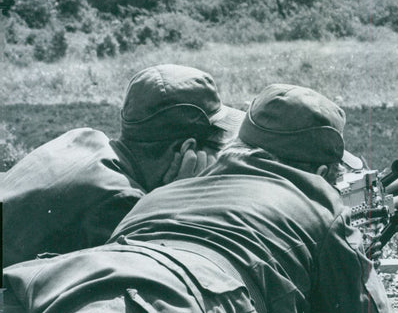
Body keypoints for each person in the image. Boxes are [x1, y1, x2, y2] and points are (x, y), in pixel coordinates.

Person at [1, 83, 398, 313]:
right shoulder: (318, 205)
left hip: (64, 277)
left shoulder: (166, 191)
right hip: (172, 299)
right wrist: (353, 259)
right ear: (323, 171)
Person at [0, 64, 244, 268]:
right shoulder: (122, 202)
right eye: (214, 148)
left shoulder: (83, 136)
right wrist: (180, 198)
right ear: (186, 149)